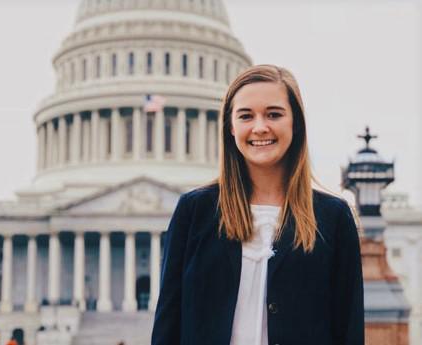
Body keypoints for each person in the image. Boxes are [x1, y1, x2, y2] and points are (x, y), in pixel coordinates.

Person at [151, 64, 364, 345]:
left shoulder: (333, 217)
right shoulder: (195, 211)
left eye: (274, 114)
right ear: (231, 126)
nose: (260, 127)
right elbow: (169, 321)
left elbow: (348, 329)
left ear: (295, 122)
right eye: (246, 116)